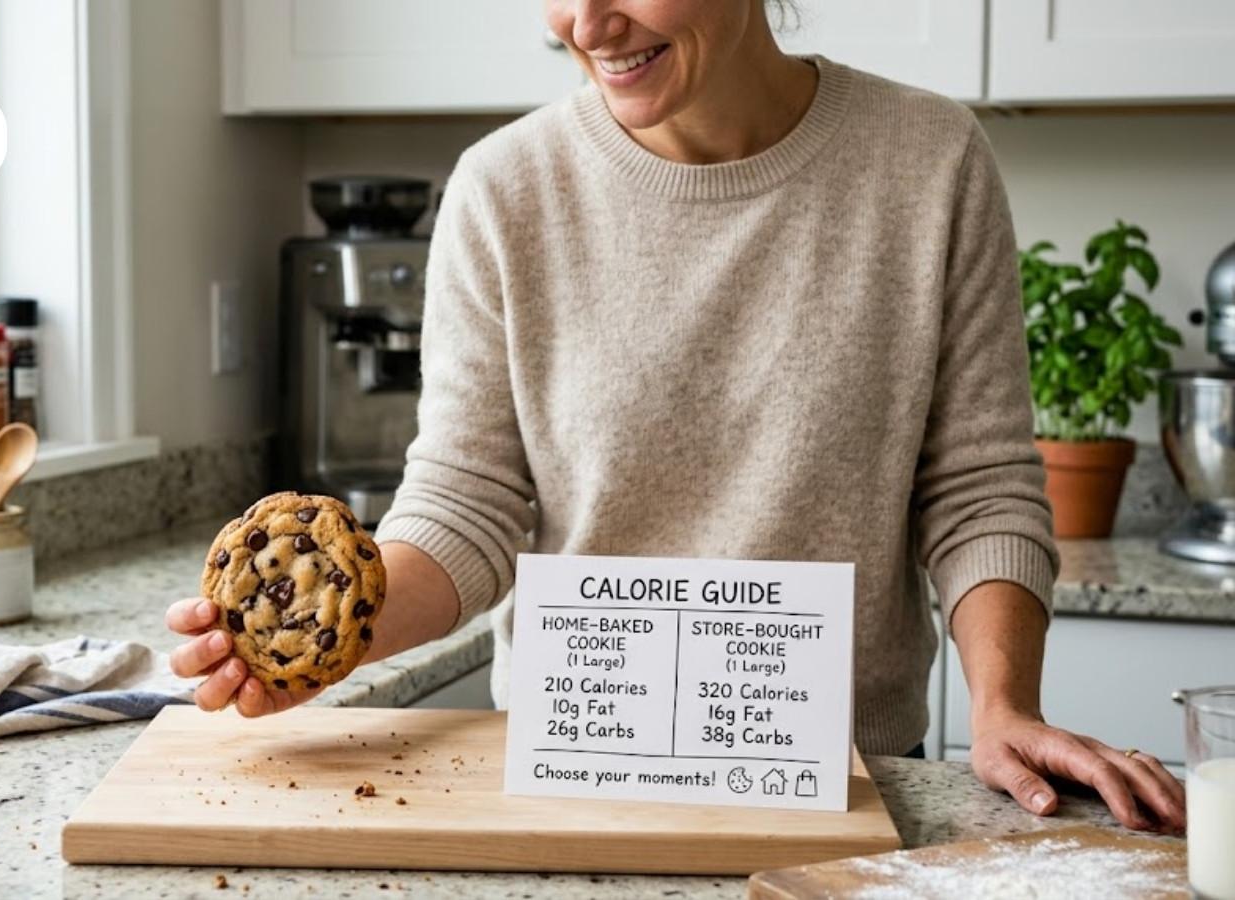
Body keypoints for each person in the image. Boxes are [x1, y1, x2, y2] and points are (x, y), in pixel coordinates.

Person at [166, 0, 1186, 832]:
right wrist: (335, 633)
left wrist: (1005, 708)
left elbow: (977, 487)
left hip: (848, 781)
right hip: (573, 778)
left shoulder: (928, 161)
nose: (587, 22)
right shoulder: (503, 189)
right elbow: (468, 506)